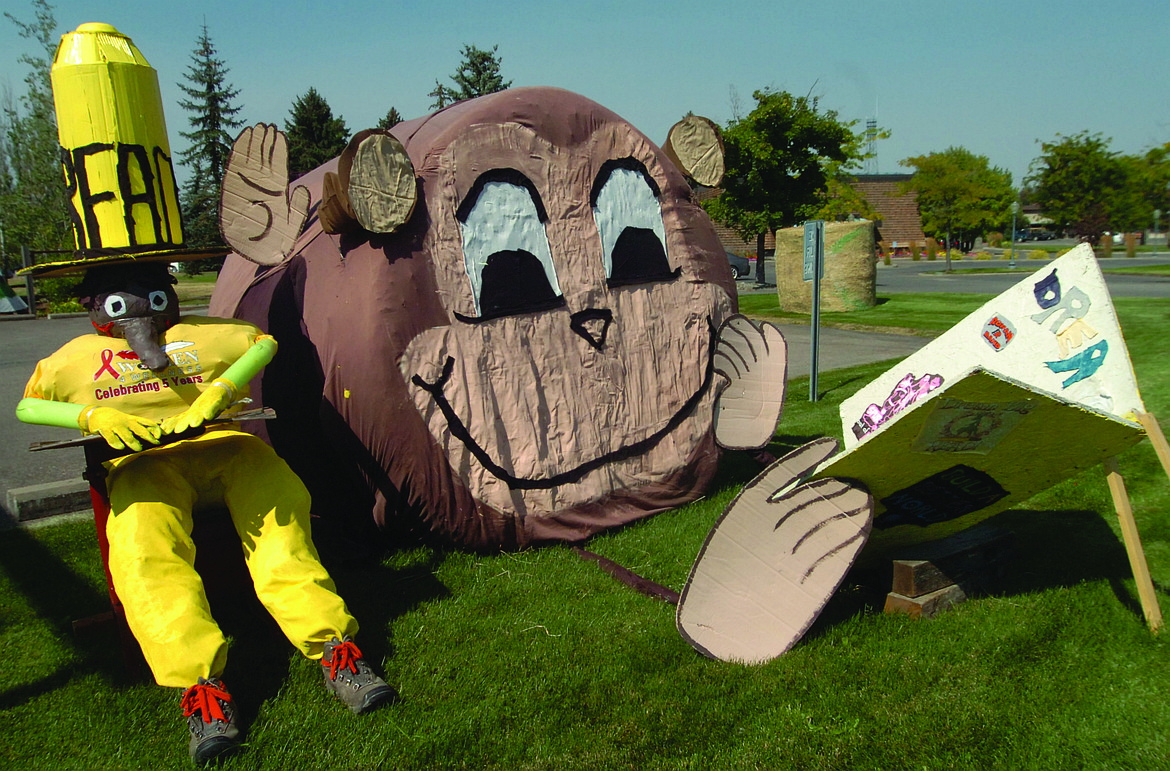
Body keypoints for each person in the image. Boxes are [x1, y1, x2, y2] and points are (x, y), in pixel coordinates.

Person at [16, 260, 396, 764]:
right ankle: (200, 685)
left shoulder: (209, 335)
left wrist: (221, 389)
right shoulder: (74, 359)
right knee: (144, 548)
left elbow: (263, 344)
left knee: (282, 523)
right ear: (95, 308)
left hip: (228, 450)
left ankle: (334, 649)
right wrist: (91, 414)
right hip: (146, 464)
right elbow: (29, 406)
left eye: (153, 299)